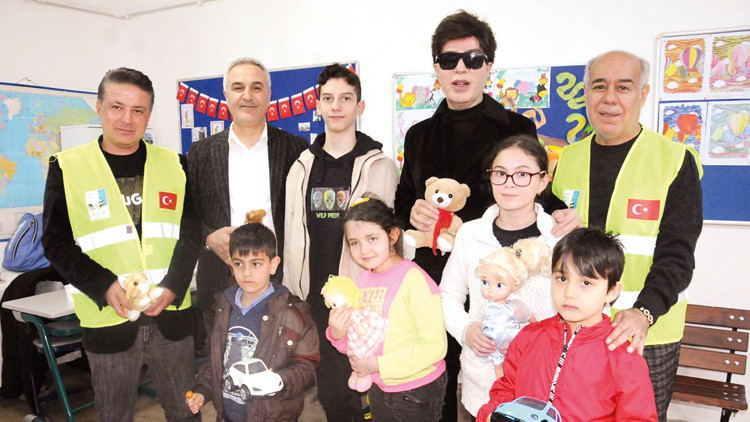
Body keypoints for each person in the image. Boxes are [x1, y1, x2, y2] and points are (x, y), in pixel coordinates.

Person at [551, 50, 703, 422]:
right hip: (577, 328)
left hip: (645, 332)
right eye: (599, 86)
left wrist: (643, 313)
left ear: (643, 94)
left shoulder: (674, 160)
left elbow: (678, 254)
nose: (609, 98)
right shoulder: (567, 159)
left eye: (623, 87)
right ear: (586, 94)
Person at [42, 67, 201, 421]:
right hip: (107, 319)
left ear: (149, 115)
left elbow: (191, 233)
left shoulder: (176, 165)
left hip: (171, 317)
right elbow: (55, 242)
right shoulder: (67, 167)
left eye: (138, 110)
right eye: (117, 107)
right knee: (114, 415)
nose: (127, 119)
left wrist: (174, 286)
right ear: (99, 108)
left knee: (186, 412)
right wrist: (103, 285)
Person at [283, 63, 399, 420]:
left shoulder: (380, 165)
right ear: (318, 105)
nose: (336, 106)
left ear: (359, 106)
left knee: (371, 382)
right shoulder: (300, 166)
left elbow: (390, 236)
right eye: (328, 98)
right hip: (314, 295)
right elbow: (291, 230)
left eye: (346, 98)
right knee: (333, 390)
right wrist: (291, 289)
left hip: (363, 295)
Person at [440, 134, 566, 417]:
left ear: (543, 181)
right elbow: (448, 295)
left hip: (543, 392)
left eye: (522, 174)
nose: (509, 183)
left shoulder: (559, 239)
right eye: (500, 173)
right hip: (480, 389)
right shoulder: (470, 233)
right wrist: (466, 330)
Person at [476, 228, 658, 422]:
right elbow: (506, 388)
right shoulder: (529, 337)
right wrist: (492, 415)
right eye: (562, 279)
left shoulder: (624, 357)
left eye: (586, 283)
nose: (569, 293)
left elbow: (639, 418)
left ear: (612, 291)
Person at [188, 58, 308, 338]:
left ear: (269, 95)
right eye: (238, 87)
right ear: (226, 95)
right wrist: (208, 239)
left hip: (281, 279)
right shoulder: (201, 152)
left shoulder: (296, 148)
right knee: (222, 360)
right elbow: (188, 216)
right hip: (221, 281)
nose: (247, 96)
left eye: (256, 87)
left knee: (282, 359)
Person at [327, 198, 447, 421]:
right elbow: (361, 339)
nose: (364, 250)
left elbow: (435, 348)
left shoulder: (415, 281)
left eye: (372, 238)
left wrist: (377, 364)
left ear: (392, 236)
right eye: (354, 243)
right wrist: (338, 334)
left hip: (414, 391)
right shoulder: (363, 280)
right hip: (378, 385)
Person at [186, 223, 319, 421]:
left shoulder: (294, 313)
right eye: (239, 264)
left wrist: (278, 381)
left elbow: (306, 364)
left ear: (273, 264)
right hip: (228, 415)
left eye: (256, 264)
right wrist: (202, 390)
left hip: (273, 416)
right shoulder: (223, 306)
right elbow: (217, 360)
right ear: (230, 264)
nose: (246, 272)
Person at [476, 237, 549, 378]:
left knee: (515, 369)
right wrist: (477, 334)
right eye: (485, 282)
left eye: (499, 285)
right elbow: (478, 323)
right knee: (499, 368)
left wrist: (536, 334)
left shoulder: (513, 307)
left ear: (515, 285)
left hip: (513, 345)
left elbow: (531, 319)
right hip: (493, 346)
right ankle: (501, 387)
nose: (490, 290)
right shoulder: (486, 308)